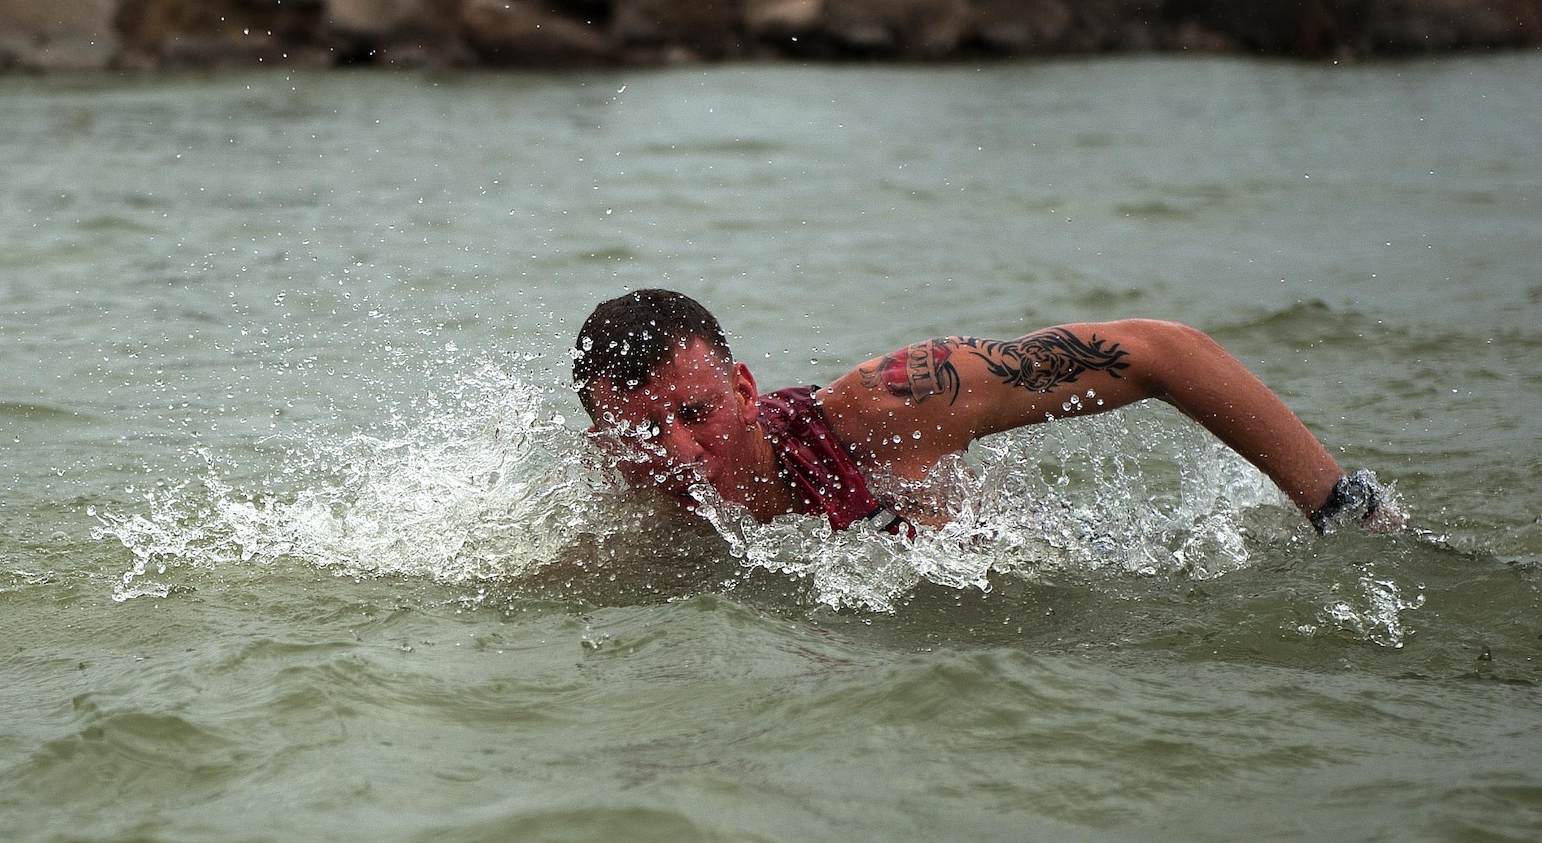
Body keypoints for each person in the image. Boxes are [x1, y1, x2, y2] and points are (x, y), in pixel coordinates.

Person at [572, 288, 1401, 536]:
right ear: (603, 440)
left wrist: (1341, 508)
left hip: (1072, 576)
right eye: (643, 431)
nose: (679, 451)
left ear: (745, 389)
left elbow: (1165, 350)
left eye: (696, 413)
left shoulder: (890, 403)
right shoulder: (615, 514)